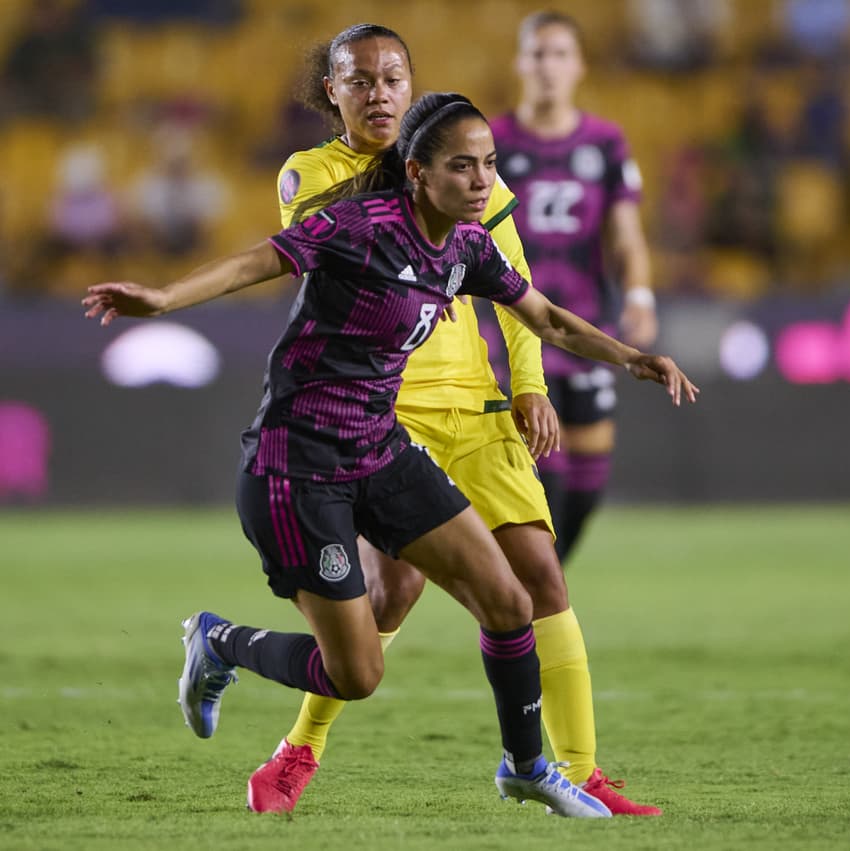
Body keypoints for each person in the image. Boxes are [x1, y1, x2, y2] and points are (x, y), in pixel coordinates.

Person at [82, 91, 698, 818]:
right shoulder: (358, 226)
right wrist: (162, 298)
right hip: (299, 462)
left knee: (510, 599)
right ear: (417, 172)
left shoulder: (467, 246)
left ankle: (529, 767)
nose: (483, 181)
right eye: (463, 166)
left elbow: (546, 317)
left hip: (381, 450)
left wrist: (632, 358)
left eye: (489, 164)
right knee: (357, 671)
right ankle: (221, 643)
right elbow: (255, 262)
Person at [251, 24, 663, 816]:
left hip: (475, 405)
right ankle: (300, 747)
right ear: (333, 92)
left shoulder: (460, 166)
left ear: (412, 87)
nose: (379, 94)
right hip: (386, 411)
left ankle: (579, 768)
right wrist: (423, 187)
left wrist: (529, 384)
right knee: (390, 595)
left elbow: (517, 287)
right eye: (361, 81)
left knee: (542, 575)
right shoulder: (311, 174)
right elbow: (359, 236)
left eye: (393, 79)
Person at [490, 11, 659, 563]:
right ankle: (532, 601)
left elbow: (626, 237)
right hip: (514, 335)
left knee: (585, 491)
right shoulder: (491, 143)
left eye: (560, 54)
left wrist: (638, 295)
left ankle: (534, 594)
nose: (548, 66)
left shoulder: (606, 144)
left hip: (585, 328)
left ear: (579, 66)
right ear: (520, 62)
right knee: (546, 486)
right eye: (537, 53)